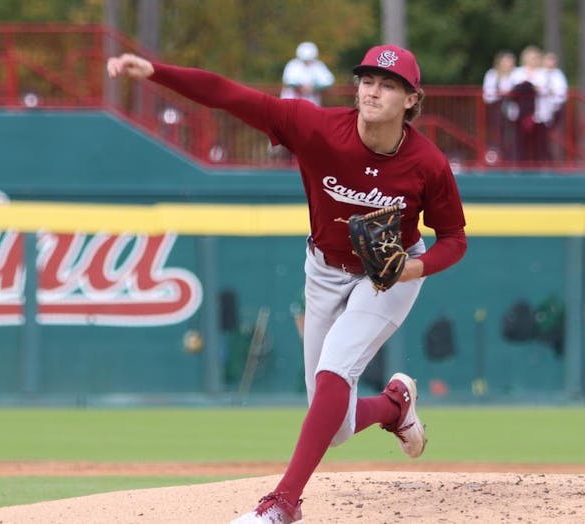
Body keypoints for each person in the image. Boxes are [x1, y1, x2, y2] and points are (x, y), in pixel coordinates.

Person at [107, 44, 467, 524]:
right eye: (367, 81)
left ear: (411, 100)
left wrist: (410, 269)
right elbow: (228, 96)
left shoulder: (427, 163)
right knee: (333, 424)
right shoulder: (315, 127)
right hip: (323, 270)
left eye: (388, 85)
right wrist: (155, 71)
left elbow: (454, 239)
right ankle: (393, 406)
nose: (373, 91)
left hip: (388, 278)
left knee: (334, 372)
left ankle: (283, 503)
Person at [481, 50, 516, 163]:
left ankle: (511, 159)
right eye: (505, 61)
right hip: (497, 109)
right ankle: (498, 159)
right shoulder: (492, 74)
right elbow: (488, 95)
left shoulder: (516, 75)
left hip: (512, 111)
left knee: (511, 136)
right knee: (497, 135)